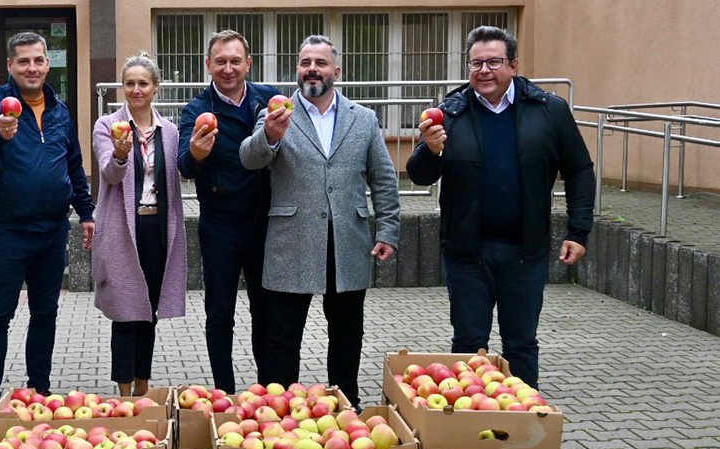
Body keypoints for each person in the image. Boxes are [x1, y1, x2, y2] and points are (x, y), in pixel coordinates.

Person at [406, 26, 594, 389]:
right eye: (476, 63)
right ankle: (468, 417)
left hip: (526, 252)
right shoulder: (450, 113)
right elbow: (419, 175)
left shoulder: (549, 110)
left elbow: (579, 171)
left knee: (521, 344)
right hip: (466, 254)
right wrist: (430, 149)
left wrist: (578, 231)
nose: (484, 71)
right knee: (468, 343)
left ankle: (525, 419)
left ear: (513, 64)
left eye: (494, 62)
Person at [240, 35, 400, 408]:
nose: (312, 69)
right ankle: (279, 408)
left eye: (321, 63)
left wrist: (389, 230)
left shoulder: (363, 118)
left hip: (347, 241)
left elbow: (383, 178)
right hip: (291, 240)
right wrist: (270, 136)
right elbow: (249, 158)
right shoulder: (276, 113)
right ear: (297, 69)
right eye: (305, 62)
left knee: (347, 334)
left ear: (336, 71)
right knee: (282, 337)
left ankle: (346, 403)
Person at [0, 32, 95, 395]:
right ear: (10, 65)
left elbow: (73, 164)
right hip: (9, 231)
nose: (32, 68)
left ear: (48, 64)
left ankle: (39, 390)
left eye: (38, 60)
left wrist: (86, 212)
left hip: (53, 230)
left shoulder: (59, 110)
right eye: (23, 61)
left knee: (45, 312)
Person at [177, 30, 281, 393]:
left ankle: (266, 390)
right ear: (208, 65)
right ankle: (224, 393)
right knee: (220, 314)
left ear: (248, 63)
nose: (228, 69)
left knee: (265, 312)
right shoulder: (197, 109)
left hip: (265, 223)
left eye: (236, 61)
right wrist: (196, 154)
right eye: (220, 61)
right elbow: (183, 165)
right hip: (220, 226)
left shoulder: (268, 99)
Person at [91, 54, 187, 397]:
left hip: (157, 230)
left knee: (148, 313)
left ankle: (143, 390)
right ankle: (123, 394)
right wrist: (120, 154)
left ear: (155, 87)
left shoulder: (170, 132)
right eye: (129, 83)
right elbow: (109, 174)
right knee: (125, 314)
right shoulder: (107, 125)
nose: (136, 89)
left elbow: (178, 177)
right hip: (122, 231)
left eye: (143, 83)